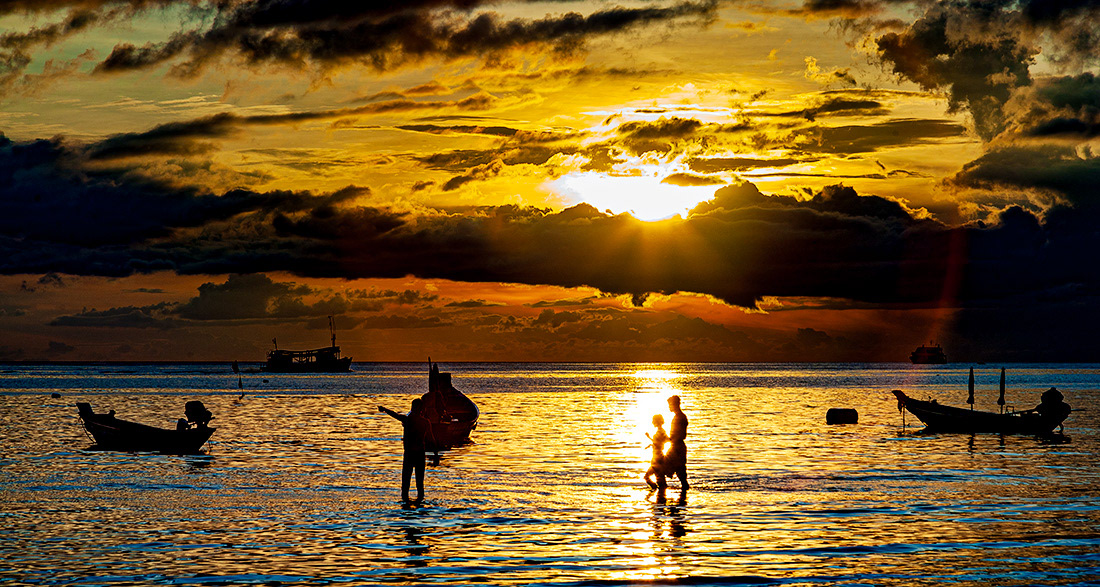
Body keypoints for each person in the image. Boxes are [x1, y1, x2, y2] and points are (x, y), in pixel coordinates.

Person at [379, 399, 433, 503]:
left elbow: (394, 415)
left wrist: (384, 409)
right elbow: (432, 440)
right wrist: (435, 455)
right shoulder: (426, 422)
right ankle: (420, 503)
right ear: (422, 409)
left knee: (406, 482)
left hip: (409, 454)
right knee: (420, 483)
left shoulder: (407, 420)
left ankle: (405, 503)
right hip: (420, 455)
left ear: (412, 408)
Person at [665, 395, 689, 490]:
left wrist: (668, 439)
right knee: (680, 473)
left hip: (677, 448)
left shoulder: (680, 417)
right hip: (675, 446)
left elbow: (681, 435)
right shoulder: (678, 417)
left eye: (670, 405)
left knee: (680, 473)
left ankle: (662, 493)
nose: (669, 407)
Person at [644, 413, 669, 489]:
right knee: (659, 478)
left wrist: (649, 438)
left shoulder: (660, 432)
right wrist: (651, 442)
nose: (652, 422)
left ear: (656, 422)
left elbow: (658, 443)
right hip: (658, 456)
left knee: (649, 477)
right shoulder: (662, 431)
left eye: (653, 421)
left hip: (657, 458)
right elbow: (662, 441)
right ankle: (660, 492)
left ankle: (657, 490)